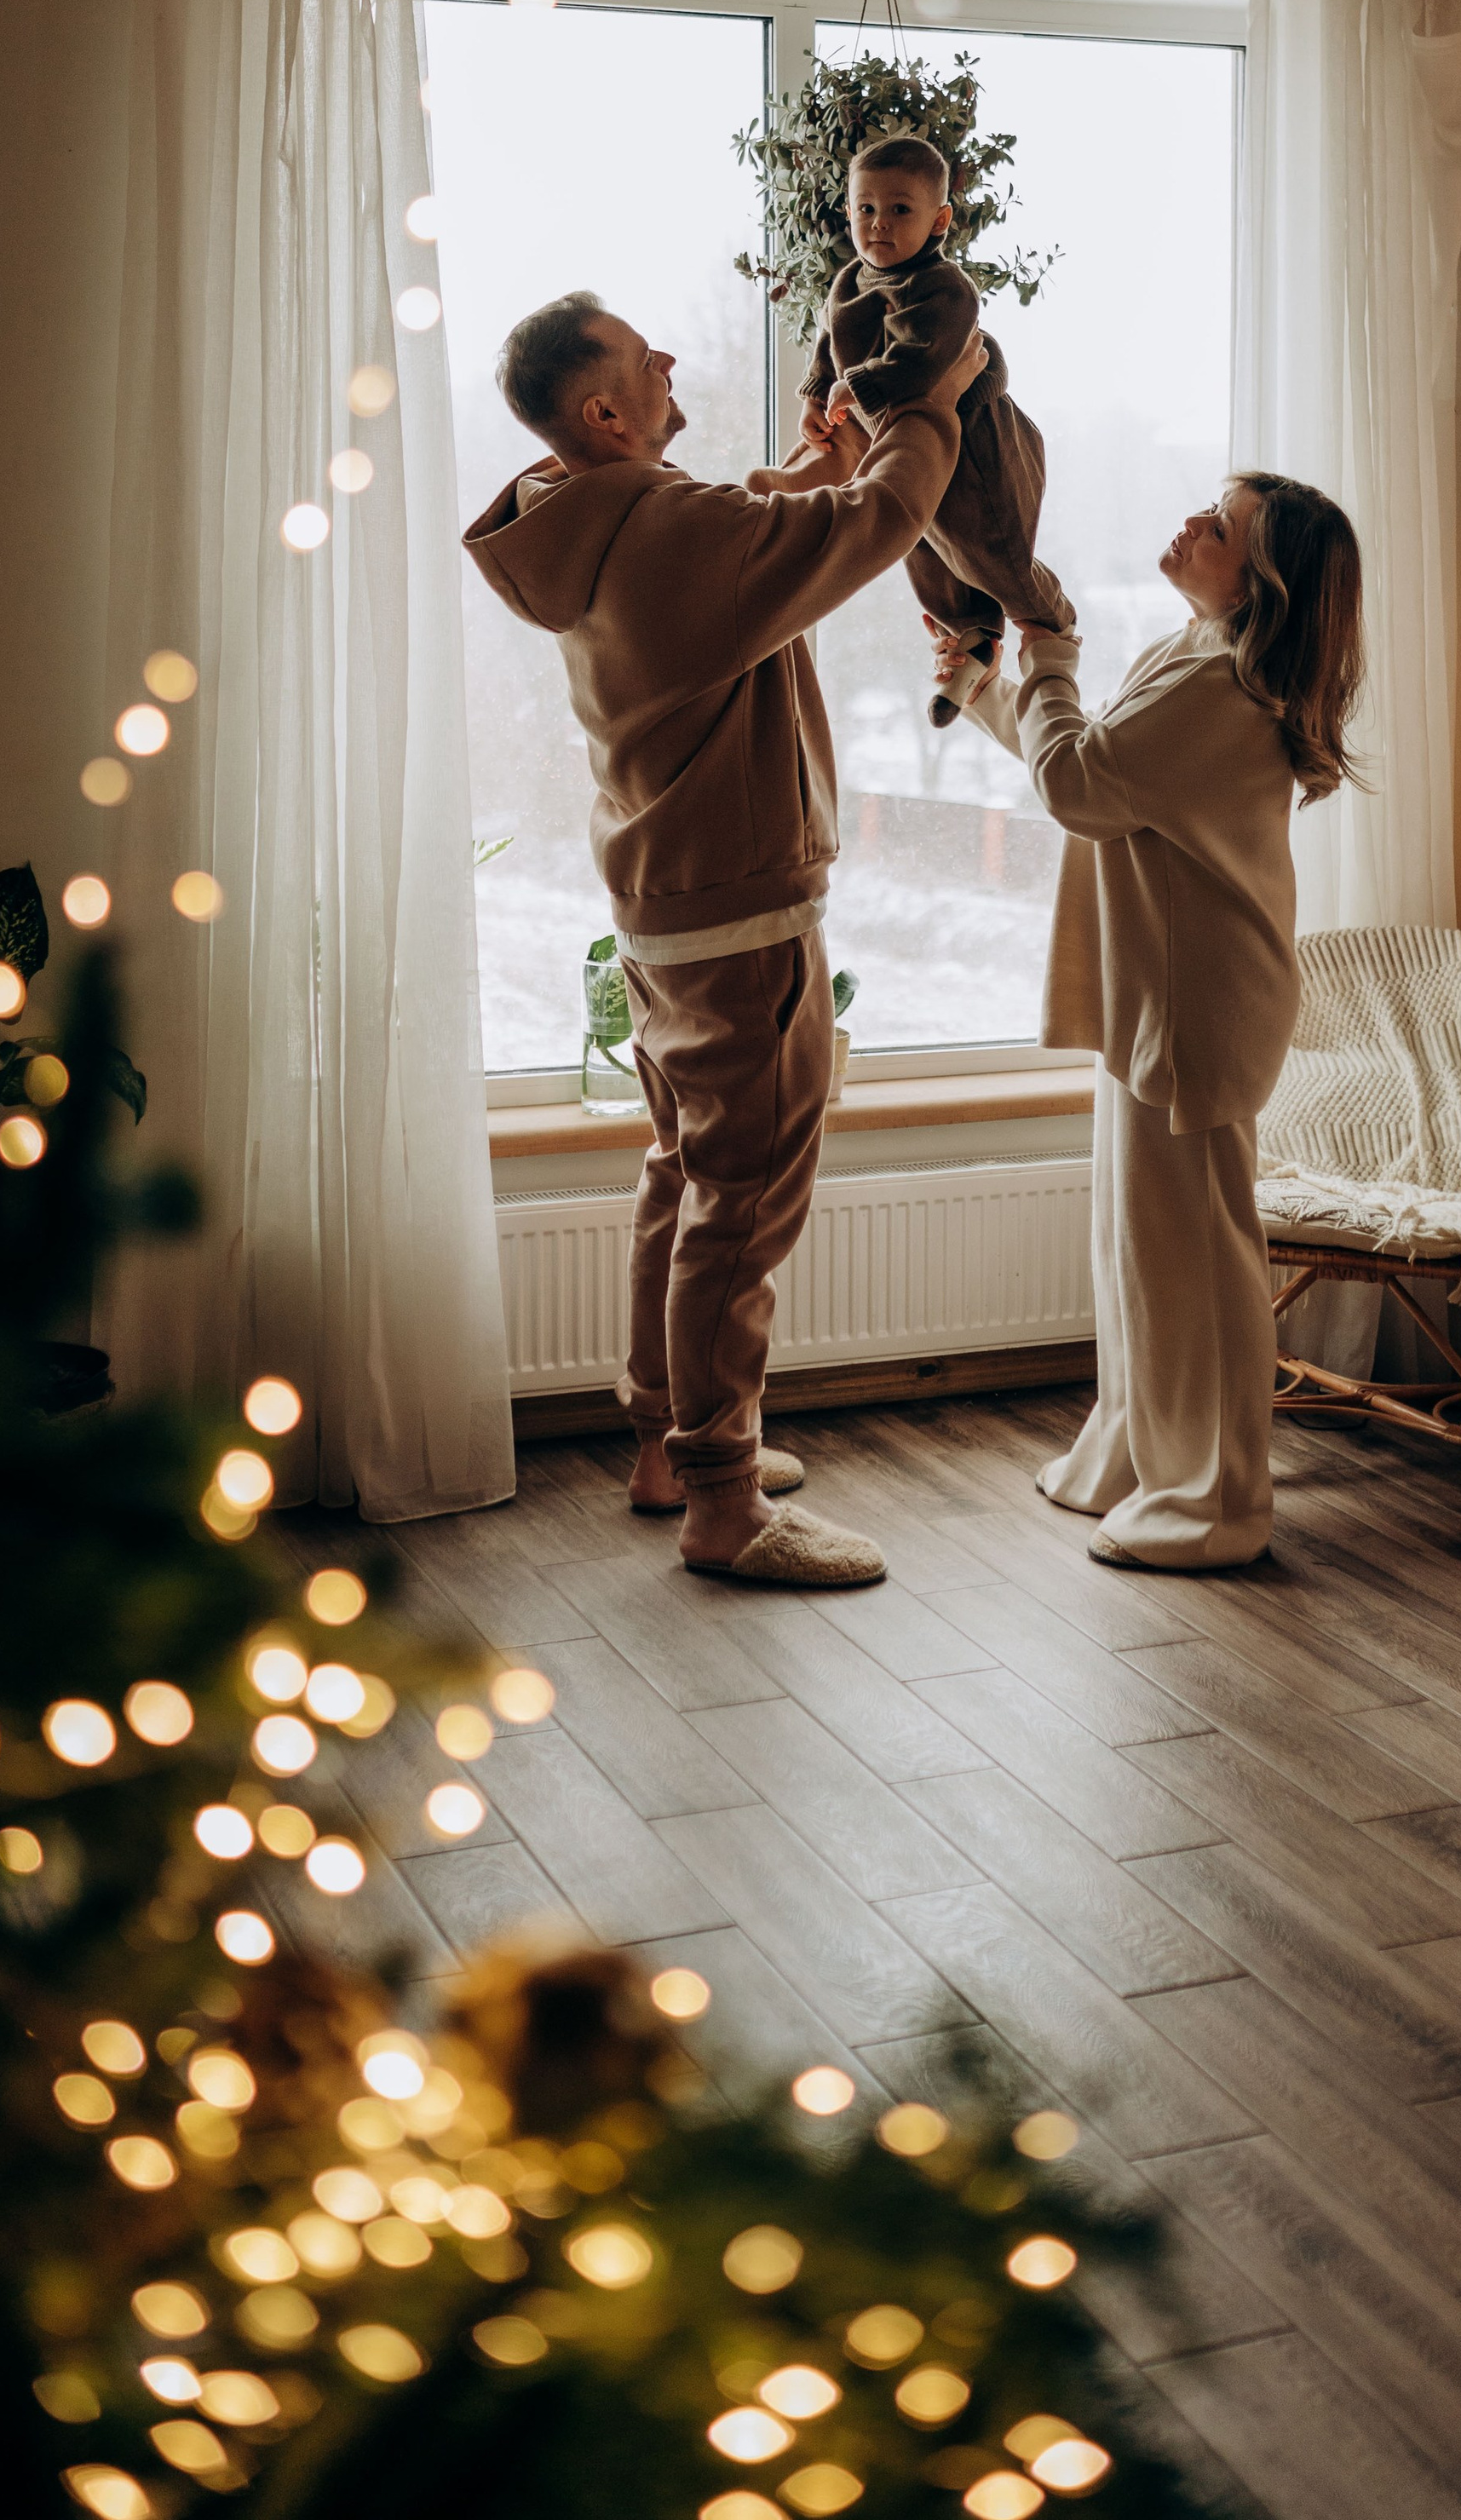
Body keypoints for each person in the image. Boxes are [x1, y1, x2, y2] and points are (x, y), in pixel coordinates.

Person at [464, 291, 983, 1587]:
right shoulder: (664, 533)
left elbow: (754, 527)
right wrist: (932, 401)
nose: (672, 359)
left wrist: (811, 465)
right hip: (743, 924)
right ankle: (722, 1502)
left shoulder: (588, 521)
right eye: (647, 360)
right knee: (740, 1211)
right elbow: (875, 524)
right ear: (602, 410)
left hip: (670, 910)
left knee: (682, 1176)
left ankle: (669, 1446)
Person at [950, 474, 1366, 1569]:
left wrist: (1044, 658)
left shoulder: (1226, 683)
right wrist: (1001, 684)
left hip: (1197, 997)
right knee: (1145, 1246)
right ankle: (1140, 1455)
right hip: (1169, 984)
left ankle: (1217, 1499)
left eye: (1219, 526)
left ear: (1262, 579)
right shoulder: (1196, 658)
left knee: (1194, 1254)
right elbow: (1095, 768)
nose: (1191, 523)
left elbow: (1081, 782)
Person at [751, 136, 1073, 727]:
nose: (879, 224)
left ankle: (1051, 618)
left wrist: (866, 385)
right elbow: (829, 348)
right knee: (924, 546)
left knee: (988, 549)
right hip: (906, 442)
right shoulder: (849, 282)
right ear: (846, 211)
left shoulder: (943, 286)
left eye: (901, 210)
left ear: (939, 220)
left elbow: (925, 355)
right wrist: (816, 398)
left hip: (976, 442)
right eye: (866, 208)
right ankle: (972, 640)